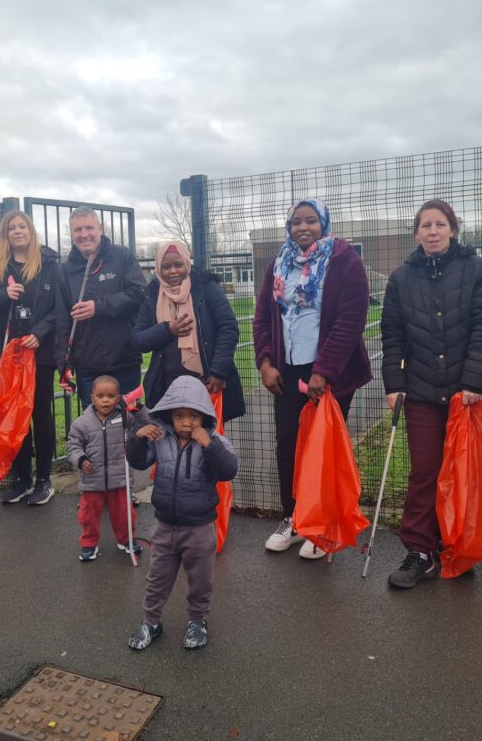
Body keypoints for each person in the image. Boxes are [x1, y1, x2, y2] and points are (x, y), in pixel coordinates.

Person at [380, 199, 482, 588]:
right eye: (425, 225)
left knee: (464, 473)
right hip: (420, 392)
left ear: (453, 228)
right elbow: (392, 336)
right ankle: (420, 551)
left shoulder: (478, 271)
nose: (432, 231)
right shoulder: (401, 278)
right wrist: (394, 385)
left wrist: (475, 382)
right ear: (416, 233)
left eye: (440, 224)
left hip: (465, 394)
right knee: (425, 472)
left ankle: (459, 545)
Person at [252, 198, 371, 560]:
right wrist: (265, 362)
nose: (303, 227)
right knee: (288, 445)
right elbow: (262, 318)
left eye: (311, 221)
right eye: (296, 222)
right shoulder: (279, 263)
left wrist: (324, 371)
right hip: (286, 372)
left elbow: (350, 320)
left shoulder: (344, 260)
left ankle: (322, 527)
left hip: (329, 374)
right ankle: (293, 519)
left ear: (324, 223)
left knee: (322, 451)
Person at [124, 376, 239, 651]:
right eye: (179, 416)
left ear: (204, 416)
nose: (186, 422)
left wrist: (209, 446)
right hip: (165, 526)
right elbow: (138, 460)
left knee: (200, 580)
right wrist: (137, 437)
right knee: (157, 578)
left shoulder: (215, 440)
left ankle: (197, 621)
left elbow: (228, 470)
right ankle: (151, 622)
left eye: (193, 416)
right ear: (169, 415)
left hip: (200, 528)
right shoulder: (160, 438)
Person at [0, 210, 60, 506]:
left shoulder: (50, 265)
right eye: (11, 228)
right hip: (9, 356)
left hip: (40, 353)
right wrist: (4, 295)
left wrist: (40, 332)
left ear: (31, 230)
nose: (17, 231)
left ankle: (44, 480)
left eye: (22, 226)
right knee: (14, 415)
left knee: (39, 413)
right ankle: (22, 479)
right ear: (5, 235)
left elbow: (60, 307)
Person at [132, 241, 245, 422]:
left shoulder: (206, 288)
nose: (173, 271)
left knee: (206, 436)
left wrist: (218, 371)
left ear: (187, 263)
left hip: (205, 382)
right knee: (169, 436)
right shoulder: (151, 295)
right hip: (167, 386)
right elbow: (138, 340)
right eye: (166, 267)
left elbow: (228, 328)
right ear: (158, 268)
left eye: (178, 265)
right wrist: (168, 329)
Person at [54, 207, 146, 404]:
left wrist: (99, 307)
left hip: (125, 359)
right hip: (88, 366)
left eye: (89, 228)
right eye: (78, 230)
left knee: (129, 417)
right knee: (94, 421)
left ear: (100, 229)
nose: (84, 234)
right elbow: (62, 320)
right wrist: (64, 362)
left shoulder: (122, 256)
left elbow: (139, 293)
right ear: (71, 233)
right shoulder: (65, 270)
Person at [65, 375, 150, 562]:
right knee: (88, 515)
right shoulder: (82, 423)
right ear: (92, 397)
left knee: (124, 513)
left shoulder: (125, 417)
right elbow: (73, 446)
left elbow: (147, 422)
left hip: (119, 478)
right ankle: (89, 543)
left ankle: (126, 539)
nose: (106, 400)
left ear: (118, 397)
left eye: (111, 396)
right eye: (100, 396)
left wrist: (138, 407)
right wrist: (80, 459)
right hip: (92, 479)